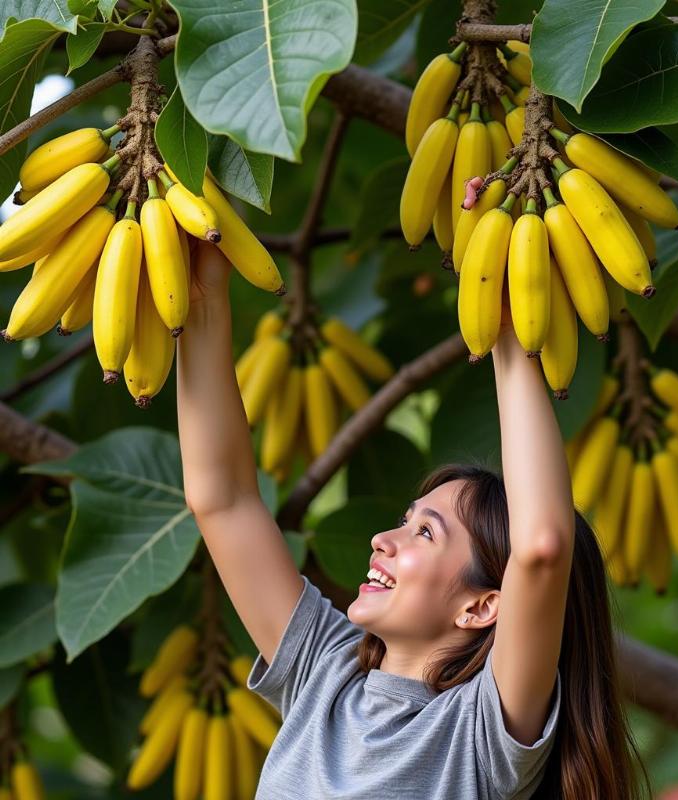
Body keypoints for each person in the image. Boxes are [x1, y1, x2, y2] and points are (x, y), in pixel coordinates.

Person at [177, 241, 651, 799]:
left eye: (425, 532)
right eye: (406, 522)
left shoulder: (477, 738)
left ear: (482, 606)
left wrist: (504, 331)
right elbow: (222, 499)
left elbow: (542, 546)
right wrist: (203, 298)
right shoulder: (323, 674)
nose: (381, 539)